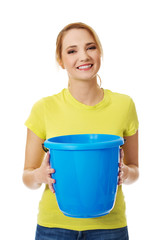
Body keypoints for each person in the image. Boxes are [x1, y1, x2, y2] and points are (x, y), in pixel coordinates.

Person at [23, 22, 139, 240]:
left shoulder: (124, 105)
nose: (84, 56)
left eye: (91, 47)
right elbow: (27, 177)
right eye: (72, 51)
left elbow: (135, 169)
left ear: (100, 52)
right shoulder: (44, 109)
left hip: (109, 228)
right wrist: (39, 175)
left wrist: (126, 172)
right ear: (61, 60)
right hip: (54, 228)